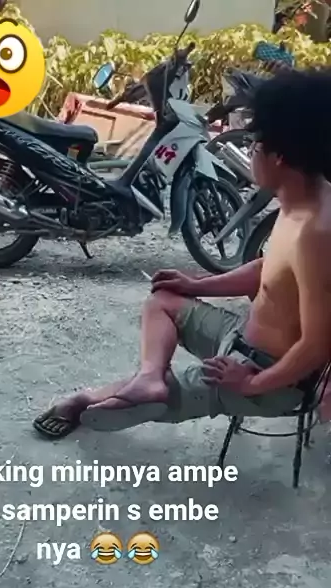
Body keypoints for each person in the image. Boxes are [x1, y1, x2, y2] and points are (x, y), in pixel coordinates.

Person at [33, 69, 331, 440]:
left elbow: (317, 345)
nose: (250, 154)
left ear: (280, 157)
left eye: (254, 147)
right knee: (164, 299)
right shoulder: (299, 200)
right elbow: (270, 269)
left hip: (267, 375)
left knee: (111, 410)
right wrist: (195, 284)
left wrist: (250, 384)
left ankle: (90, 400)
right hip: (241, 336)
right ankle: (150, 377)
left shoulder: (317, 234)